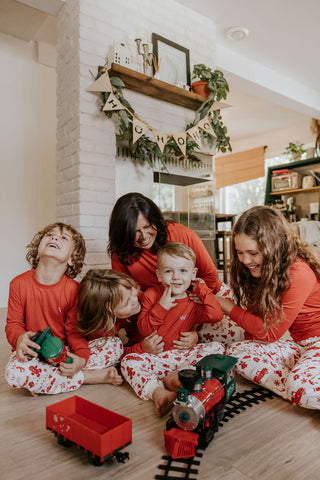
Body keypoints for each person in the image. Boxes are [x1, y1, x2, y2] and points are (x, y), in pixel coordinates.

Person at [213, 206, 320, 409]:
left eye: (253, 253)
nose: (245, 260)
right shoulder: (267, 270)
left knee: (301, 388)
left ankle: (301, 387)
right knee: (237, 353)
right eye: (240, 252)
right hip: (301, 344)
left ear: (274, 247)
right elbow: (258, 331)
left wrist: (226, 306)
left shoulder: (298, 272)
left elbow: (269, 332)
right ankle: (301, 386)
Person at [5, 223, 122, 396]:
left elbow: (74, 331)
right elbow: (13, 324)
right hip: (34, 354)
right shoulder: (18, 284)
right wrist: (19, 338)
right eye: (50, 235)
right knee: (13, 373)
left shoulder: (74, 290)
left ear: (71, 259)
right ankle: (87, 377)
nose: (54, 238)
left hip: (66, 353)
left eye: (63, 238)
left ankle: (45, 380)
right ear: (37, 251)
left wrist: (80, 359)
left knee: (115, 346)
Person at [121, 242, 225, 417]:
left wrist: (202, 289)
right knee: (128, 362)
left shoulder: (193, 299)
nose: (176, 277)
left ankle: (179, 377)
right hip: (156, 358)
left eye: (183, 271)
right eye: (169, 271)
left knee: (217, 348)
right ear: (159, 275)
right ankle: (159, 392)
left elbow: (216, 315)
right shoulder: (152, 295)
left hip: (185, 357)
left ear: (193, 274)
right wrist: (161, 307)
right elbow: (144, 329)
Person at [108, 192, 231, 299]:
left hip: (205, 296)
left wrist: (193, 304)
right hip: (162, 306)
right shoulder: (120, 250)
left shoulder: (181, 233)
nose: (144, 236)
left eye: (147, 227)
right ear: (123, 233)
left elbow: (210, 275)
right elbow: (126, 290)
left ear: (155, 221)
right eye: (135, 231)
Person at [77, 268, 198, 361]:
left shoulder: (143, 298)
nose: (135, 301)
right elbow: (111, 355)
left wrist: (193, 333)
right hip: (139, 345)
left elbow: (178, 316)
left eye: (133, 292)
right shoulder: (102, 327)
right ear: (108, 312)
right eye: (126, 304)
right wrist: (141, 349)